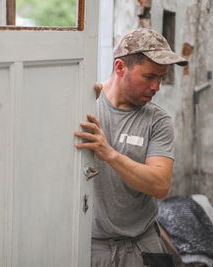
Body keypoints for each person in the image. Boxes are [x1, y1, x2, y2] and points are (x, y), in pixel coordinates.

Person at [75, 27, 188, 266]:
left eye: (161, 77)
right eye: (149, 76)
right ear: (119, 68)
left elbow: (160, 185)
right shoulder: (84, 105)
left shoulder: (158, 120)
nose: (157, 86)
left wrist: (110, 154)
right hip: (90, 247)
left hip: (139, 247)